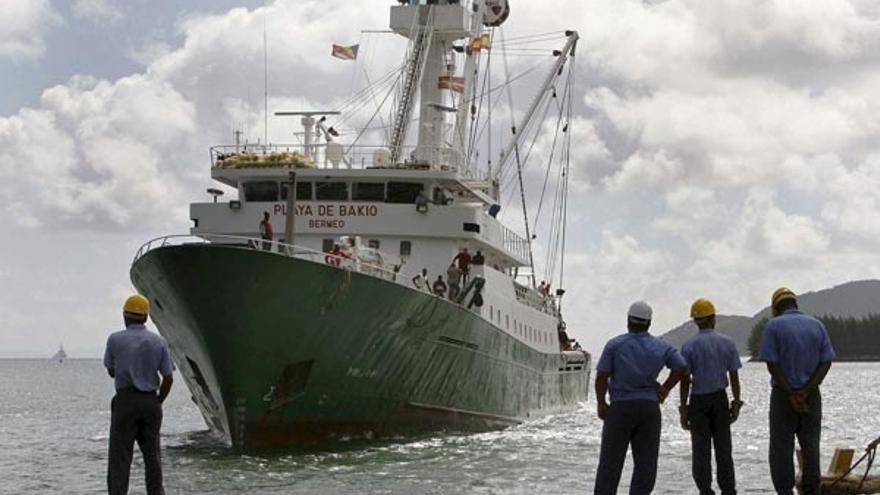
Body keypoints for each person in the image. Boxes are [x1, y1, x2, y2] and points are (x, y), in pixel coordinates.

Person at [594, 301, 689, 495]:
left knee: (610, 464)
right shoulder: (661, 346)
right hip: (648, 409)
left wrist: (601, 402)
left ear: (628, 321)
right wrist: (665, 388)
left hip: (620, 408)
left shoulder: (615, 345)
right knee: (645, 466)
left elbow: (602, 376)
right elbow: (681, 368)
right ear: (649, 323)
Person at [759, 288, 835, 495]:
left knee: (781, 450)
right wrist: (807, 391)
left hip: (783, 396)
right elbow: (826, 361)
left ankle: (785, 492)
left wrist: (792, 393)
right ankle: (812, 491)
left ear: (776, 308)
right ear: (795, 304)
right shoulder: (817, 325)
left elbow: (772, 364)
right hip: (811, 396)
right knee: (811, 447)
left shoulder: (773, 326)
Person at [104, 294, 174, 495]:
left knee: (120, 459)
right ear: (146, 317)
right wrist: (157, 400)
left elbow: (111, 370)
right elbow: (168, 378)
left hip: (125, 402)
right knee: (153, 458)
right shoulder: (159, 342)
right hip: (150, 402)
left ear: (125, 316)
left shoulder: (115, 339)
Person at [679, 298, 743, 495]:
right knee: (724, 450)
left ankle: (705, 490)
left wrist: (684, 407)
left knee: (701, 451)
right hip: (720, 399)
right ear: (713, 318)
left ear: (696, 321)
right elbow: (733, 376)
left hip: (698, 401)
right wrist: (736, 402)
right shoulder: (727, 343)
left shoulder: (689, 346)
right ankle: (728, 490)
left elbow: (685, 379)